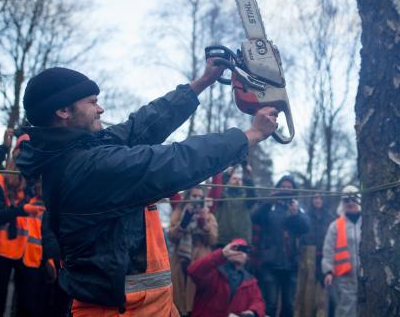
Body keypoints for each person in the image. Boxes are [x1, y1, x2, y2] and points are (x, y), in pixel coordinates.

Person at [15, 62, 278, 316]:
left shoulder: (80, 150)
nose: (101, 109)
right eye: (92, 102)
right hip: (120, 312)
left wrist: (202, 82)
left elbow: (140, 127)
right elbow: (174, 162)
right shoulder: (85, 167)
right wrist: (251, 135)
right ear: (63, 111)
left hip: (148, 307)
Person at [0, 135, 48, 317]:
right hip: (0, 250)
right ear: (15, 154)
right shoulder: (0, 180)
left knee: (29, 308)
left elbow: (49, 226)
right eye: (23, 151)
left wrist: (51, 256)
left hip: (32, 254)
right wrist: (20, 210)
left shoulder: (45, 186)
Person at [251, 175, 309, 317]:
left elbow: (306, 227)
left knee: (289, 304)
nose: (286, 190)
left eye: (289, 187)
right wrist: (269, 202)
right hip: (269, 263)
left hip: (291, 264)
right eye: (283, 186)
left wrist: (296, 214)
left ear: (293, 190)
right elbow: (254, 217)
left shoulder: (298, 207)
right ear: (277, 188)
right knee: (270, 304)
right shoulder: (269, 205)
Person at [169, 186, 218, 316]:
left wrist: (204, 224)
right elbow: (171, 237)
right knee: (179, 296)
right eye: (193, 196)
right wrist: (184, 222)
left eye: (199, 197)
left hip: (199, 260)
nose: (196, 199)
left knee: (197, 299)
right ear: (187, 198)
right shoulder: (179, 213)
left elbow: (213, 240)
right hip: (180, 260)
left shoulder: (209, 216)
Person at [187, 238, 265, 317]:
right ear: (228, 251)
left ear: (247, 257)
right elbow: (193, 270)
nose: (240, 252)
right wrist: (221, 254)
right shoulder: (212, 271)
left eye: (244, 250)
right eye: (236, 249)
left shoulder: (251, 282)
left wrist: (253, 312)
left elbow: (258, 302)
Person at [322, 185, 361, 317]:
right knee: (346, 309)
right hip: (345, 277)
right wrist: (328, 271)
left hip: (368, 275)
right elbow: (328, 250)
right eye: (346, 200)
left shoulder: (368, 221)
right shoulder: (336, 226)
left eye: (353, 199)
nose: (350, 203)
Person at [295, 194, 335, 317]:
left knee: (324, 291)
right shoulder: (306, 217)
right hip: (308, 257)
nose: (317, 201)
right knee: (307, 290)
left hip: (326, 258)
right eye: (315, 198)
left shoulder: (330, 218)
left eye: (320, 198)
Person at [211, 162, 256, 247]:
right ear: (228, 181)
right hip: (222, 240)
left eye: (240, 179)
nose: (237, 181)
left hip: (242, 239)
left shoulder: (247, 198)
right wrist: (227, 174)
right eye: (234, 178)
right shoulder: (222, 196)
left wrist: (247, 172)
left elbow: (252, 193)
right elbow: (218, 188)